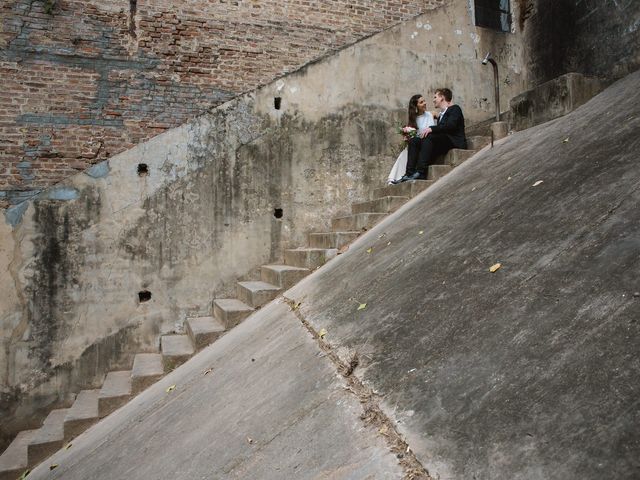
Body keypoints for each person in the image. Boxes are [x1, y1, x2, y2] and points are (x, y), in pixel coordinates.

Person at [399, 88, 467, 182]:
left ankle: (421, 172)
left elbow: (451, 126)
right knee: (414, 141)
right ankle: (409, 173)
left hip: (454, 141)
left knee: (429, 136)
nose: (433, 100)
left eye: (435, 97)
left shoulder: (455, 109)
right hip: (443, 141)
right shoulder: (442, 114)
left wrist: (432, 129)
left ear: (442, 98)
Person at [387, 94, 435, 184]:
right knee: (411, 143)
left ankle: (414, 173)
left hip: (430, 142)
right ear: (416, 106)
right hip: (419, 142)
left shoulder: (431, 114)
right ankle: (408, 173)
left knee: (414, 144)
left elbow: (442, 124)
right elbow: (413, 134)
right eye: (421, 102)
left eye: (424, 101)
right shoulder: (414, 119)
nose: (425, 103)